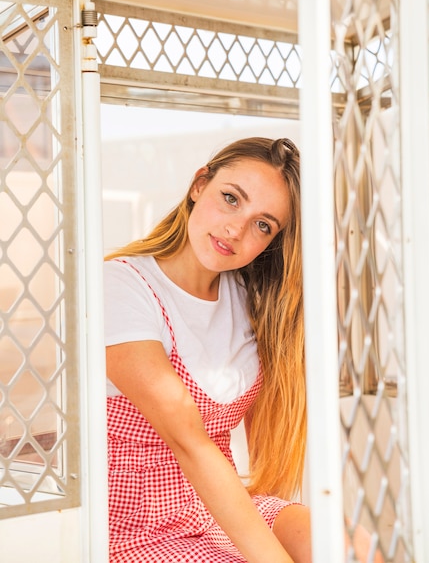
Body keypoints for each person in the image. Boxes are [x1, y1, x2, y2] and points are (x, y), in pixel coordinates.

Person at [103, 136, 381, 563]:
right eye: (231, 199)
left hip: (218, 511)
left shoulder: (250, 299)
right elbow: (190, 442)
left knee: (354, 549)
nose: (236, 229)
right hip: (136, 530)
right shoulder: (122, 287)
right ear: (200, 185)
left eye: (263, 225)